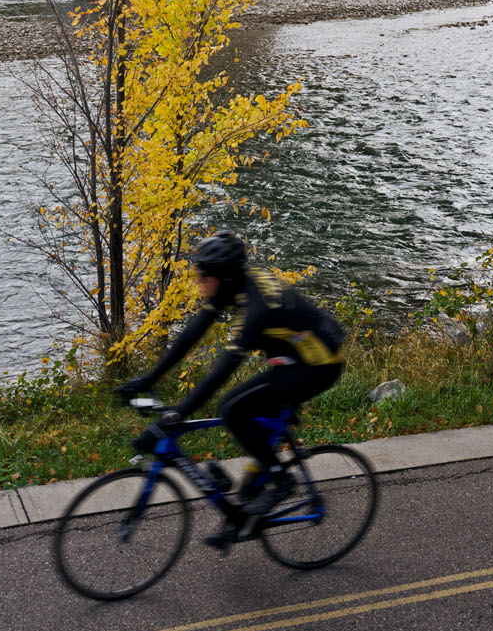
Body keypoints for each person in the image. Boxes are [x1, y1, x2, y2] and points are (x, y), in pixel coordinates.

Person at [115, 231, 344, 549]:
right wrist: (149, 378)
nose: (197, 280)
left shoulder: (256, 308)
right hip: (291, 355)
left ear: (222, 275)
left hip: (318, 365)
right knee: (251, 430)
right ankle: (241, 517)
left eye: (203, 275)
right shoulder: (233, 283)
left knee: (233, 408)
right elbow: (192, 333)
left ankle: (282, 478)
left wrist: (176, 416)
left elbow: (219, 374)